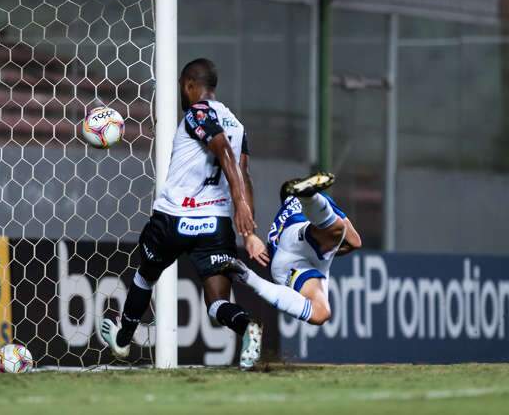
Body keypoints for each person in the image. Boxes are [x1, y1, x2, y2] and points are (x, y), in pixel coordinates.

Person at [101, 58, 262, 369]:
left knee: (145, 276)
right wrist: (249, 228)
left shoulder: (198, 112)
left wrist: (240, 205)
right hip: (215, 223)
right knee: (217, 304)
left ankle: (123, 340)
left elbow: (224, 153)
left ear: (189, 86)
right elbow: (245, 174)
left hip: (174, 218)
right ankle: (247, 327)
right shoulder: (237, 125)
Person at [222, 172, 361, 326]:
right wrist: (332, 246)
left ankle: (247, 276)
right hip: (294, 245)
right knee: (337, 228)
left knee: (321, 313)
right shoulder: (304, 202)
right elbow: (355, 242)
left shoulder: (281, 218)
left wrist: (329, 247)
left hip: (286, 258)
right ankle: (310, 198)